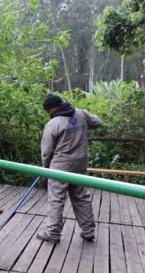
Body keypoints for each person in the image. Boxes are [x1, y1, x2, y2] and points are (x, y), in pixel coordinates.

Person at [36, 94, 102, 243]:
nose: (47, 114)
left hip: (60, 166)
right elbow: (98, 122)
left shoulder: (53, 124)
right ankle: (88, 231)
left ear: (51, 109)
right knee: (81, 197)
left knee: (56, 199)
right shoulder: (81, 113)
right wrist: (84, 126)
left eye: (47, 111)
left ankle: (53, 233)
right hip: (80, 163)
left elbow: (46, 151)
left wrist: (45, 169)